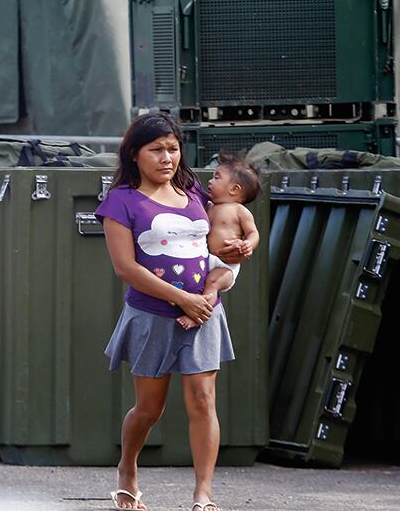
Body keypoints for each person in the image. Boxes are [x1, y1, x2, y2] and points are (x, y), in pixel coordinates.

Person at [95, 113, 252, 511]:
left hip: (204, 313)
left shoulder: (195, 190)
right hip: (152, 315)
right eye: (156, 150)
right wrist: (182, 299)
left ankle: (203, 495)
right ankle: (128, 469)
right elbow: (126, 269)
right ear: (134, 154)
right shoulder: (120, 201)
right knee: (149, 409)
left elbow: (220, 240)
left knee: (202, 400)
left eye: (173, 149)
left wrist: (236, 250)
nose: (167, 158)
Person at [177, 153, 260, 330]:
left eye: (217, 177)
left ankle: (199, 316)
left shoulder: (240, 211)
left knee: (212, 284)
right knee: (196, 283)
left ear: (234, 189)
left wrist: (248, 245)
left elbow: (253, 233)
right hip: (206, 260)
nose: (210, 181)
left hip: (226, 266)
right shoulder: (208, 206)